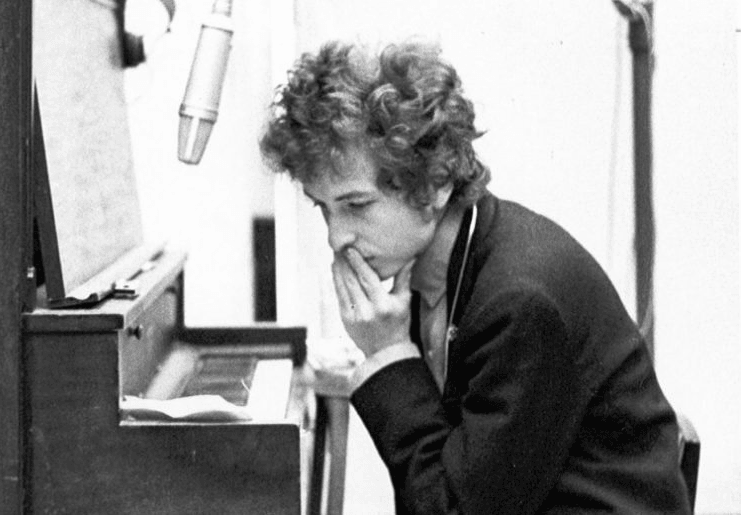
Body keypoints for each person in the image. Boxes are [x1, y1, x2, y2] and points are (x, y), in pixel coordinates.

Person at [260, 40, 690, 514]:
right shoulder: (439, 266)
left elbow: (453, 509)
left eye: (356, 206)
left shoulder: (518, 301)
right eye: (324, 208)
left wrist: (386, 356)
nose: (336, 237)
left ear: (437, 183)